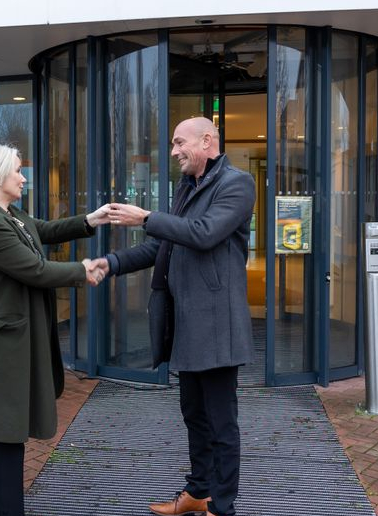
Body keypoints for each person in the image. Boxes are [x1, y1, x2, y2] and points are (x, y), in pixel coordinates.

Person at [99, 116, 256, 516]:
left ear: (207, 141)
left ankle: (222, 507)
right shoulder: (186, 188)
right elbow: (163, 247)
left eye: (178, 143)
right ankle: (197, 492)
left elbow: (203, 233)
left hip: (218, 327)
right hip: (186, 323)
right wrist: (109, 263)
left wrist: (146, 218)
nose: (173, 152)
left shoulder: (236, 184)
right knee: (194, 415)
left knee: (222, 424)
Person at [0, 143, 110, 516]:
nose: (23, 177)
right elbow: (35, 270)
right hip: (0, 346)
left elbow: (42, 230)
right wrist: (83, 271)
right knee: (5, 433)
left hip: (6, 340)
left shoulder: (5, 214)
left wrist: (90, 220)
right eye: (17, 171)